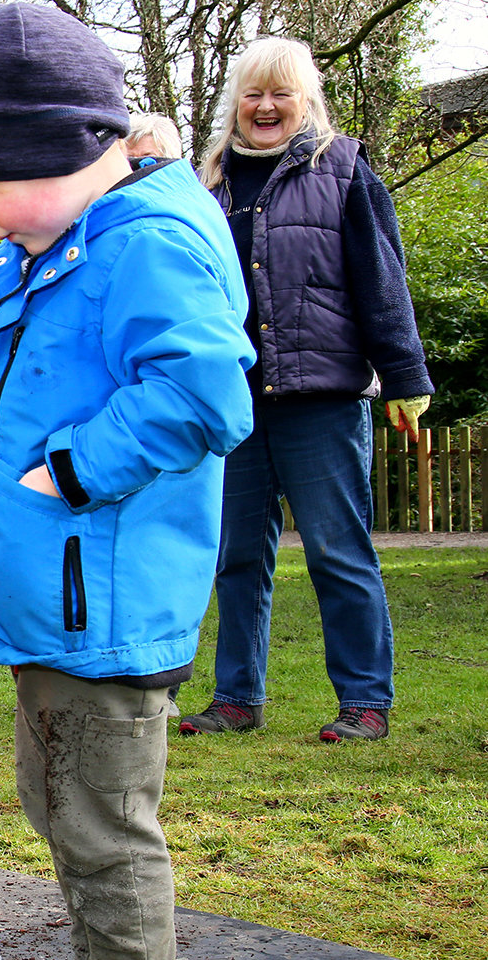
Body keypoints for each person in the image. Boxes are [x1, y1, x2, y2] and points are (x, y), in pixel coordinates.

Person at [0, 3, 255, 960]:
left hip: (101, 605)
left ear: (49, 148)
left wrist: (74, 468)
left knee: (103, 821)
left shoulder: (142, 240)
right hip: (55, 608)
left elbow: (205, 391)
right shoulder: (66, 241)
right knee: (58, 805)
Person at [182, 36, 433, 744]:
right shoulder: (208, 185)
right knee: (236, 557)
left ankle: (364, 700)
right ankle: (236, 697)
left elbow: (380, 281)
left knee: (337, 549)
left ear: (304, 101)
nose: (264, 107)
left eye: (279, 94)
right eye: (251, 94)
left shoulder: (343, 169)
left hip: (322, 394)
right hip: (236, 401)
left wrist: (405, 376)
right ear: (235, 103)